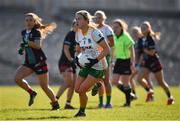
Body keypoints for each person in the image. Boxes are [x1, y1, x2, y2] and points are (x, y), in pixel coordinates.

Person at [15, 13, 59, 110]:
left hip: (39, 62)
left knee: (44, 86)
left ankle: (55, 104)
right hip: (29, 63)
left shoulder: (36, 32)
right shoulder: (23, 32)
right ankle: (32, 92)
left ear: (35, 22)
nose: (28, 22)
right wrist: (22, 48)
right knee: (17, 78)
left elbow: (37, 46)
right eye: (27, 20)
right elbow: (26, 44)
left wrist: (26, 42)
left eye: (31, 20)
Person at [74, 10, 110, 117]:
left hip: (98, 65)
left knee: (81, 90)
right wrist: (77, 58)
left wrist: (95, 60)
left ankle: (82, 112)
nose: (77, 21)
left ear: (86, 20)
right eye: (76, 19)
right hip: (87, 64)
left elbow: (107, 49)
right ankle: (96, 84)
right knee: (77, 89)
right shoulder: (78, 33)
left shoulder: (95, 32)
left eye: (79, 19)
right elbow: (79, 50)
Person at [137, 21, 175, 105]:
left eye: (145, 27)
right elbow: (141, 53)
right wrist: (139, 63)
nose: (143, 29)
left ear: (149, 29)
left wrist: (144, 50)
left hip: (154, 62)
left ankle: (170, 97)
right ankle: (150, 91)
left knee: (161, 82)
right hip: (146, 63)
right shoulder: (141, 39)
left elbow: (152, 52)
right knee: (139, 79)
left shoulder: (150, 38)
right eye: (142, 27)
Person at [92, 10, 114, 108]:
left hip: (105, 55)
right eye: (96, 17)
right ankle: (101, 103)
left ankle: (108, 102)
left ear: (103, 18)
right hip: (96, 56)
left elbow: (112, 43)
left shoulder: (107, 29)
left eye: (100, 17)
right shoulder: (92, 29)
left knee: (106, 80)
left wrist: (102, 47)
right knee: (98, 80)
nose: (97, 19)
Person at [111, 19, 136, 107]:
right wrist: (112, 62)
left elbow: (132, 50)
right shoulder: (114, 36)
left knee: (125, 83)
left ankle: (128, 103)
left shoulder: (126, 36)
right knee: (114, 81)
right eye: (113, 27)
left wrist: (132, 63)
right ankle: (130, 95)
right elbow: (113, 49)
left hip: (126, 61)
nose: (114, 29)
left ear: (121, 27)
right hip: (118, 61)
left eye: (117, 27)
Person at [56, 20, 78, 109]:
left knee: (73, 84)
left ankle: (68, 104)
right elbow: (66, 49)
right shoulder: (70, 34)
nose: (78, 26)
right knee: (69, 82)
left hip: (72, 62)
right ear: (73, 26)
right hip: (65, 62)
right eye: (76, 24)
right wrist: (71, 59)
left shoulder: (79, 36)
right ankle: (54, 100)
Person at [130, 26, 154, 100]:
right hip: (138, 64)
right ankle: (150, 95)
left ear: (139, 32)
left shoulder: (141, 41)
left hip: (142, 64)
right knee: (146, 79)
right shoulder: (135, 42)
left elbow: (142, 54)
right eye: (133, 32)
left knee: (131, 78)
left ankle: (148, 93)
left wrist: (139, 64)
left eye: (135, 32)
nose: (134, 34)